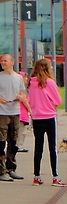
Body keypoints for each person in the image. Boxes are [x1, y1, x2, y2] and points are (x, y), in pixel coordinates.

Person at [26, 58, 65, 186]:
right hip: (49, 117)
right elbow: (58, 101)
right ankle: (55, 177)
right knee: (52, 148)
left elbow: (30, 100)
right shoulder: (50, 82)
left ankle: (36, 176)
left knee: (38, 148)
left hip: (36, 118)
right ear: (47, 68)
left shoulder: (31, 83)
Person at [0, 53, 29, 181]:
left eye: (5, 60)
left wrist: (22, 98)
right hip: (2, 113)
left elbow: (23, 94)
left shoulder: (18, 78)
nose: (3, 62)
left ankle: (11, 168)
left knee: (13, 141)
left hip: (15, 112)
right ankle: (1, 171)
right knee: (1, 142)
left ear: (12, 62)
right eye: (2, 61)